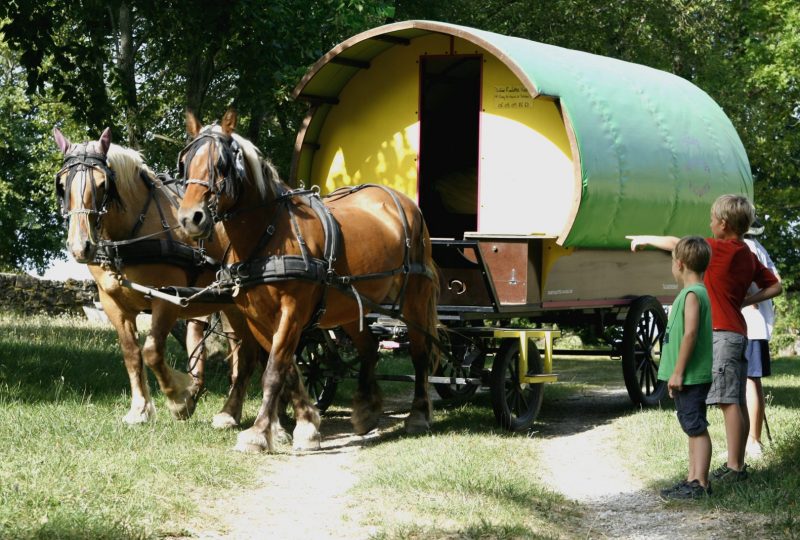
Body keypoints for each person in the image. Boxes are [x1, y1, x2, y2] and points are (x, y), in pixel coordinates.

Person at [628, 194, 782, 483]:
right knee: (735, 399)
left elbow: (678, 244)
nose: (709, 224)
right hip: (738, 332)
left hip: (721, 334)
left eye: (712, 219)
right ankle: (738, 463)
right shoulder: (747, 253)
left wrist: (645, 238)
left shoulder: (716, 248)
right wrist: (748, 299)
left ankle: (735, 467)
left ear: (723, 224)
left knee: (726, 401)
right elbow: (776, 286)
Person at [656, 236, 714, 499]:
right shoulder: (692, 293)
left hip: (690, 375)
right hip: (685, 376)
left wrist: (678, 372)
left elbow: (690, 334)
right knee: (691, 426)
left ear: (679, 264)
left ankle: (700, 483)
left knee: (696, 427)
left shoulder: (692, 294)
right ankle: (692, 479)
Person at [741, 218, 781, 458]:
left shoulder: (746, 248)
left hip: (749, 324)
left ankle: (753, 442)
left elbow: (756, 283)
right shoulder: (758, 247)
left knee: (749, 381)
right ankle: (751, 439)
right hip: (754, 325)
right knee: (751, 381)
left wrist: (748, 301)